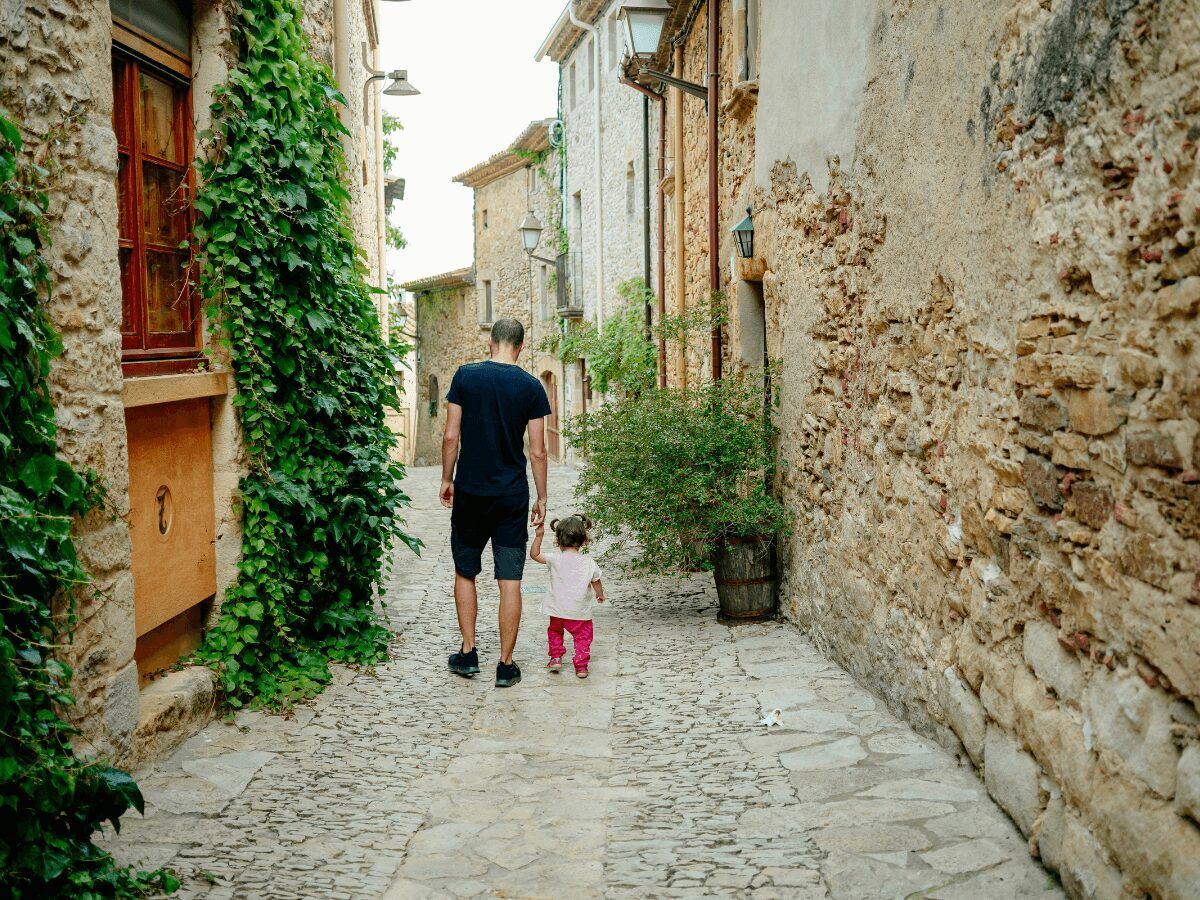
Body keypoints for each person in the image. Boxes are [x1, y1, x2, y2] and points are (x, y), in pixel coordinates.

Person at [441, 318, 551, 688]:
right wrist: (542, 495)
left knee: (465, 571)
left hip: (470, 493)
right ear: (520, 346)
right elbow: (537, 451)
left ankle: (469, 653)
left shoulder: (465, 377)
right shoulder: (531, 387)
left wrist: (446, 478)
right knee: (510, 580)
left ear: (491, 342)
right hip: (511, 497)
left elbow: (451, 435)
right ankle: (505, 664)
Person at [529, 515, 605, 679]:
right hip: (579, 612)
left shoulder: (554, 559)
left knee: (555, 631)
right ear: (584, 539)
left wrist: (539, 536)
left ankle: (556, 658)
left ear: (558, 539)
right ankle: (581, 666)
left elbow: (534, 555)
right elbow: (596, 581)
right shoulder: (588, 562)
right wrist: (600, 595)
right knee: (583, 637)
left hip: (556, 610)